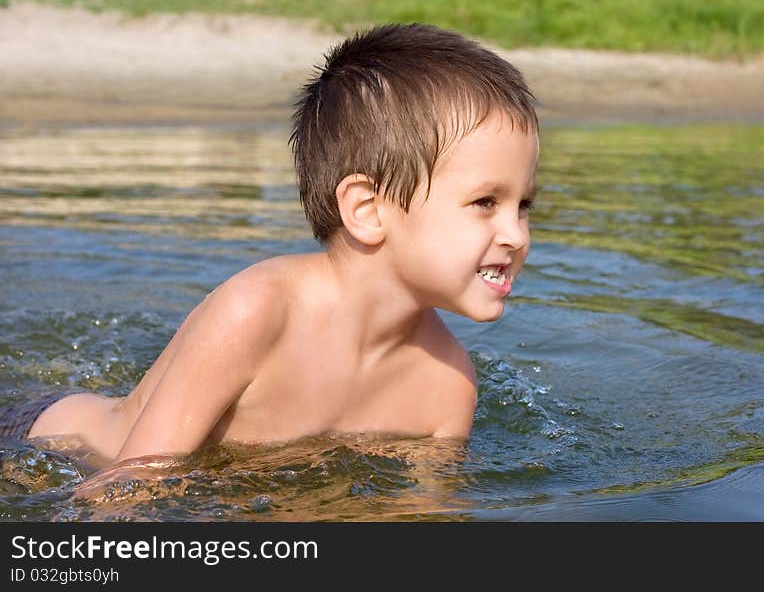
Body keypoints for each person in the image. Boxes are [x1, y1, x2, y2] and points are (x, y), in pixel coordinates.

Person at [13, 23, 540, 470]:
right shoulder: (259, 311)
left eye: (523, 206)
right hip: (48, 445)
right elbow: (129, 491)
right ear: (367, 210)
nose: (516, 234)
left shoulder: (448, 388)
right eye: (485, 202)